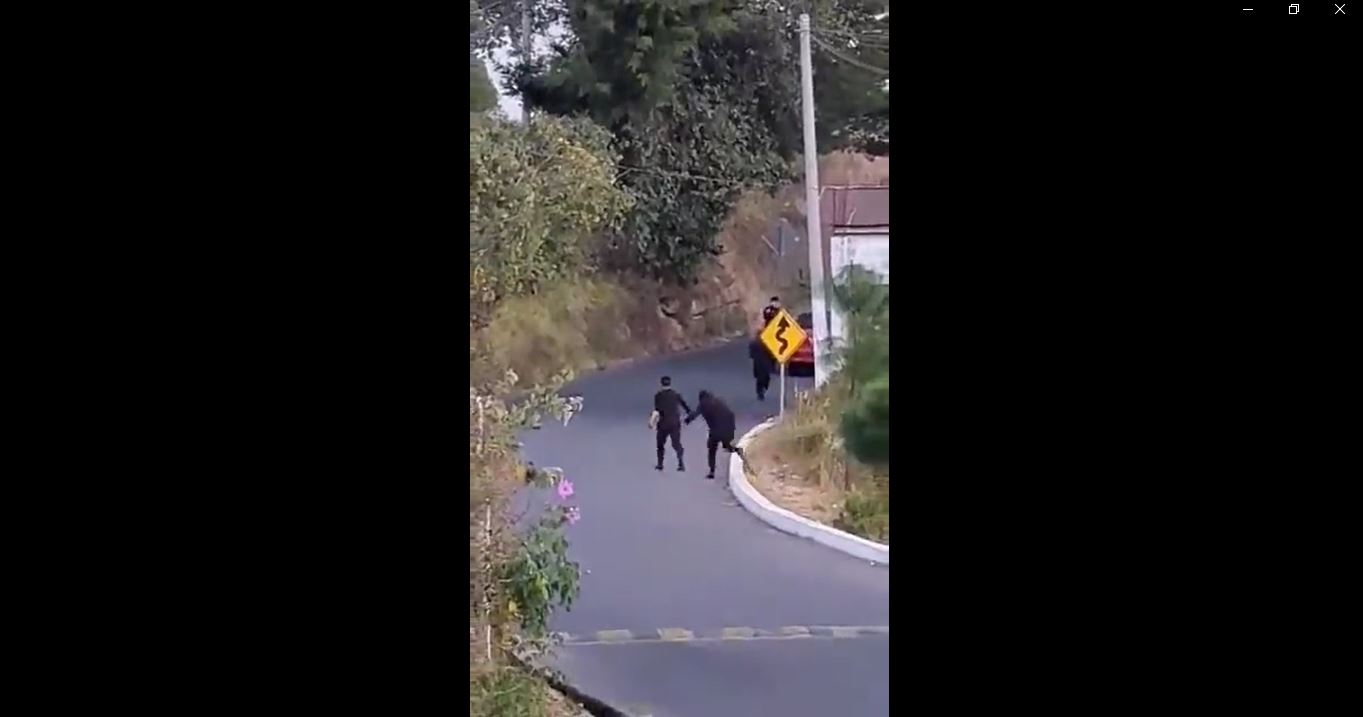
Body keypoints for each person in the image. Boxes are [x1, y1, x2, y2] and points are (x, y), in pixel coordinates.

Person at [685, 390, 745, 480]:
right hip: (728, 428)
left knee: (712, 450)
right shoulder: (719, 401)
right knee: (727, 446)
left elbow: (694, 415)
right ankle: (738, 451)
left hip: (716, 430)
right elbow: (730, 414)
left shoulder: (703, 404)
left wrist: (687, 421)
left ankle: (712, 471)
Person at [652, 376, 691, 472]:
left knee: (660, 444)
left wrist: (652, 422)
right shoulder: (675, 395)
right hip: (674, 423)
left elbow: (657, 411)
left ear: (661, 384)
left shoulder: (658, 396)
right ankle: (681, 463)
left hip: (663, 423)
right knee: (676, 443)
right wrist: (689, 414)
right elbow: (685, 406)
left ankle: (660, 464)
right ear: (670, 384)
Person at [748, 330, 776, 401]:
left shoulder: (758, 343)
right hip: (763, 363)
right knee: (763, 378)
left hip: (761, 363)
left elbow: (751, 354)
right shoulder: (758, 343)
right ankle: (761, 392)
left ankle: (760, 391)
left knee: (762, 378)